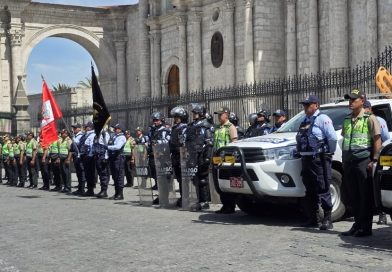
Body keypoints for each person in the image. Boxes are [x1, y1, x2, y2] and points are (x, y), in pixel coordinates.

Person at [341, 89, 382, 237]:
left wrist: (375, 160)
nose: (350, 102)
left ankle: (366, 228)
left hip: (363, 161)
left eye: (354, 100)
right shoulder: (346, 119)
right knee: (353, 196)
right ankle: (357, 224)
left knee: (365, 196)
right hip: (349, 162)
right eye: (349, 100)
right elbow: (346, 139)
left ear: (362, 101)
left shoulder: (369, 118)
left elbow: (377, 140)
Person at [296, 95, 337, 230]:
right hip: (306, 159)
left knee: (323, 187)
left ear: (316, 105)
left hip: (319, 159)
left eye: (308, 105)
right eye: (304, 105)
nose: (306, 108)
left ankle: (327, 219)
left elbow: (332, 138)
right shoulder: (305, 120)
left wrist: (328, 155)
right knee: (310, 189)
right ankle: (313, 218)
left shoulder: (323, 119)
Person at [363, 100, 390, 225]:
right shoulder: (359, 120)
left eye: (366, 108)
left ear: (370, 109)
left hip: (383, 153)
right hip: (368, 153)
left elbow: (384, 138)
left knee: (381, 179)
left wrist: (376, 156)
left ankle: (382, 213)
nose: (364, 110)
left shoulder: (378, 120)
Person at [213, 106, 238, 214]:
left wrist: (231, 158)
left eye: (220, 114)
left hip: (228, 157)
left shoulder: (230, 127)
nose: (219, 116)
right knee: (219, 181)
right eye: (218, 114)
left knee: (227, 180)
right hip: (218, 157)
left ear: (226, 115)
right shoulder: (217, 127)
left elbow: (234, 142)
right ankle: (225, 204)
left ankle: (230, 205)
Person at [147, 112, 171, 203]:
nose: (155, 122)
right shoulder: (153, 130)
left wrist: (158, 142)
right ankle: (160, 196)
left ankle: (165, 197)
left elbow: (167, 141)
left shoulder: (165, 130)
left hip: (162, 156)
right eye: (154, 120)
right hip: (153, 155)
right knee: (157, 177)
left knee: (164, 177)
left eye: (156, 120)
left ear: (161, 120)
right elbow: (148, 140)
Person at [169, 106, 188, 206]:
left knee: (183, 178)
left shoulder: (184, 128)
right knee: (179, 178)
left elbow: (183, 142)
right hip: (175, 155)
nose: (175, 119)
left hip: (182, 155)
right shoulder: (175, 128)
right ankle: (182, 196)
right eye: (175, 117)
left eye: (177, 117)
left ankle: (185, 197)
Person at [75, 122, 96, 196]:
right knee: (87, 174)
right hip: (84, 156)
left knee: (90, 174)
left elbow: (92, 146)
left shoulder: (92, 135)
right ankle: (89, 190)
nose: (85, 127)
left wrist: (90, 155)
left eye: (86, 126)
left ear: (90, 127)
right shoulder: (86, 135)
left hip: (89, 157)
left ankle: (91, 190)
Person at [107, 123, 127, 200]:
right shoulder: (115, 136)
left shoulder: (121, 137)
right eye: (115, 128)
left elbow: (118, 147)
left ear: (120, 129)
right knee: (115, 176)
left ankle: (120, 194)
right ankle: (116, 193)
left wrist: (107, 147)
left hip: (119, 157)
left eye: (117, 128)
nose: (115, 130)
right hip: (113, 157)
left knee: (119, 176)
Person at [93, 127, 111, 198]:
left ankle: (104, 191)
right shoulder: (97, 135)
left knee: (104, 174)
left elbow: (106, 146)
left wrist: (106, 157)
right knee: (100, 174)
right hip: (97, 156)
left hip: (103, 157)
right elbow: (94, 145)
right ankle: (102, 190)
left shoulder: (105, 134)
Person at [71, 123, 86, 194]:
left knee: (81, 172)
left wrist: (72, 138)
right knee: (78, 173)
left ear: (79, 128)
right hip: (75, 155)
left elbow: (76, 142)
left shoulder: (81, 136)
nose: (74, 129)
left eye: (75, 128)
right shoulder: (75, 135)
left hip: (79, 156)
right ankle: (80, 188)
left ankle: (82, 189)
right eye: (73, 128)